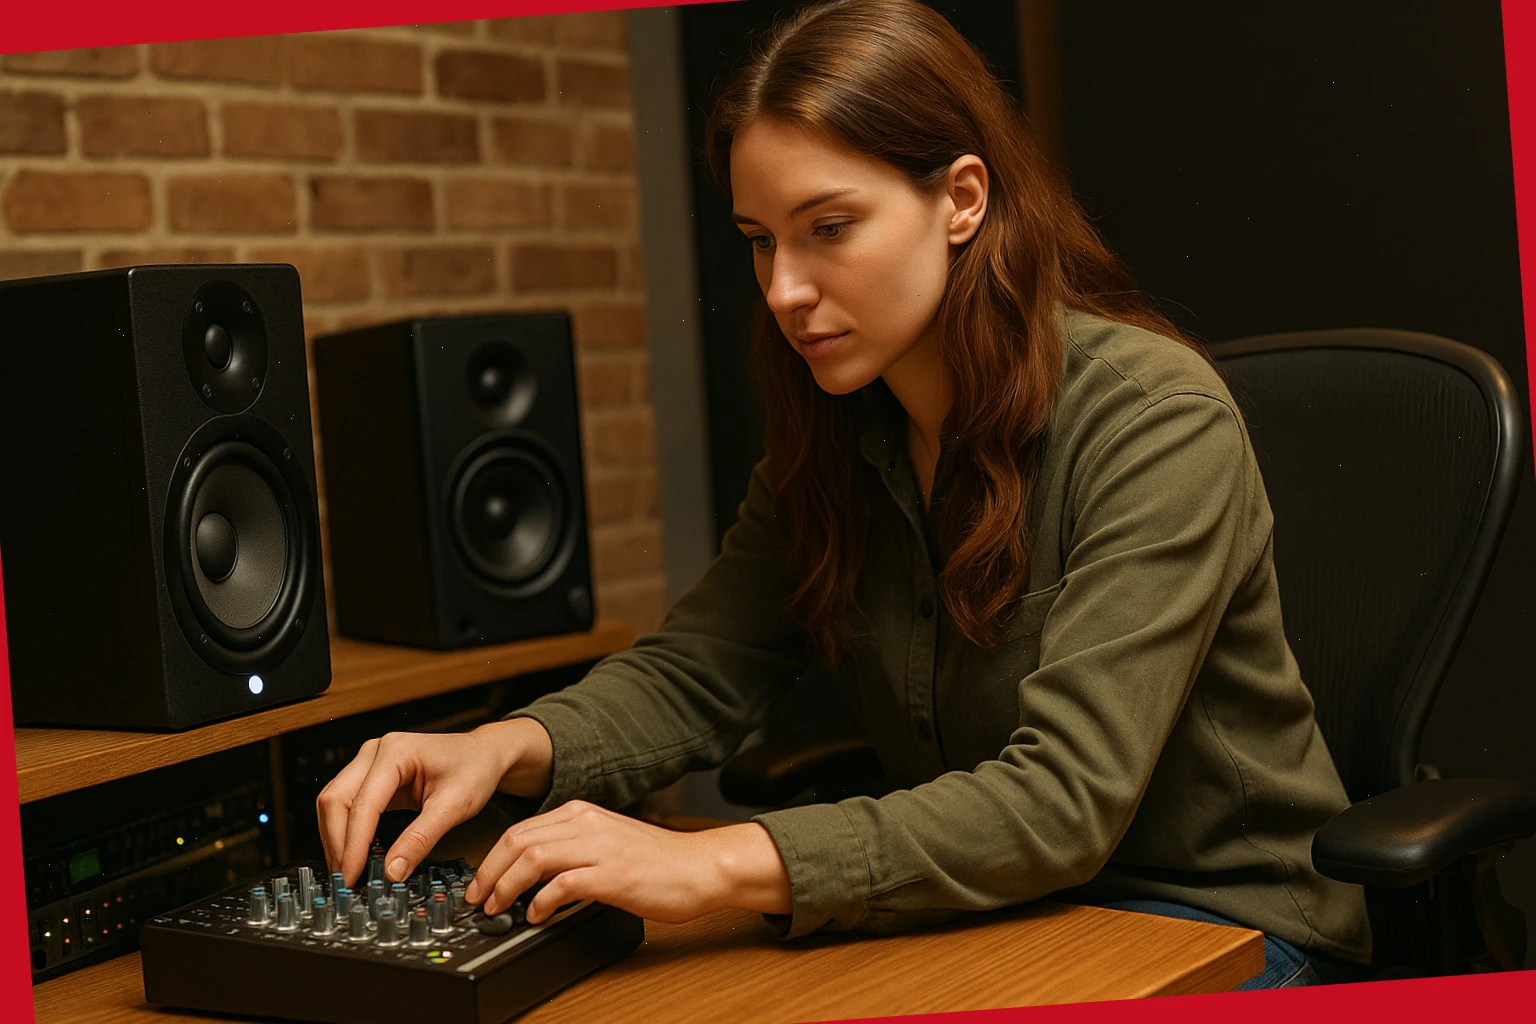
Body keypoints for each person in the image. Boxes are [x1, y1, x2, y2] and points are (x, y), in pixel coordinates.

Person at [317, 0, 1372, 990]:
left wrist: (709, 863)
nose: (784, 290)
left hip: (1221, 918)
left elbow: (1064, 800)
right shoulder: (839, 432)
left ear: (962, 200)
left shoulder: (1155, 419)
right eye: (760, 241)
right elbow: (699, 668)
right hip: (994, 906)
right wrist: (504, 746)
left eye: (828, 227)